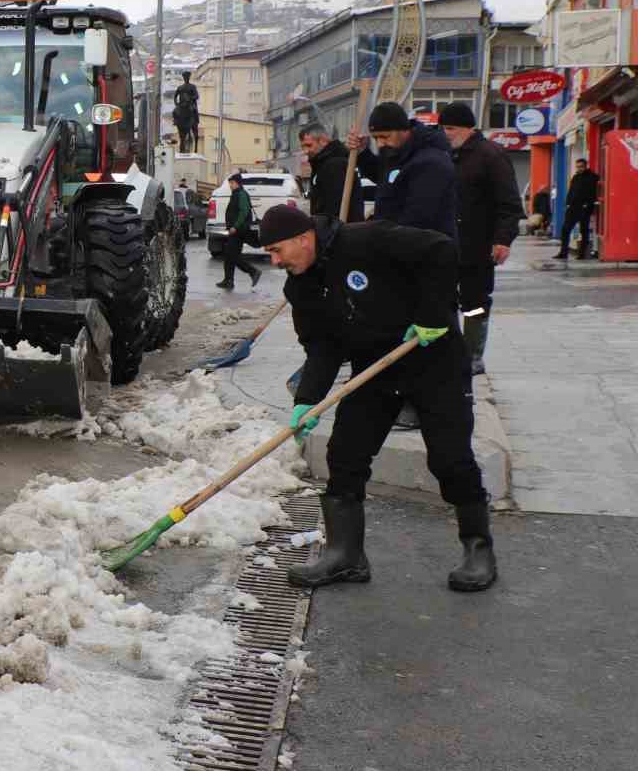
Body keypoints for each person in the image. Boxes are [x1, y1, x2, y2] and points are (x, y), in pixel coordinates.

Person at [258, 204, 496, 593]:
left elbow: (440, 250)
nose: (274, 260)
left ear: (304, 239)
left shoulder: (366, 240)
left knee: (450, 459)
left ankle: (478, 548)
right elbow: (322, 347)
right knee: (345, 454)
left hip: (433, 358)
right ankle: (345, 554)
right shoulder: (300, 285)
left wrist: (433, 315)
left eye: (277, 250)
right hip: (377, 367)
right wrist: (307, 401)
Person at [439, 102, 523, 374]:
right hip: (446, 244)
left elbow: (509, 203)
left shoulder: (491, 155)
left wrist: (503, 239)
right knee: (443, 299)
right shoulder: (445, 155)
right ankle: (449, 353)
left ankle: (473, 354)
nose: (446, 133)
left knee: (475, 303)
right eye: (443, 128)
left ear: (468, 127)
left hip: (478, 245)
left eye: (450, 128)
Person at [347, 102, 457, 239]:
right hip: (398, 245)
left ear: (404, 130)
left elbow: (418, 219)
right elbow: (385, 177)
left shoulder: (430, 161)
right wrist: (362, 151)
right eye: (375, 138)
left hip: (424, 250)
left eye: (385, 136)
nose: (380, 144)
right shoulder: (397, 153)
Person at [299, 122, 365, 221]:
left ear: (323, 141)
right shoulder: (321, 164)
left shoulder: (335, 165)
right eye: (303, 147)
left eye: (309, 145)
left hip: (339, 232)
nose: (305, 151)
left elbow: (334, 208)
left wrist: (326, 231)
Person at [217, 173, 262, 289]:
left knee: (232, 255)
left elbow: (244, 212)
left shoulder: (241, 194)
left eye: (231, 183)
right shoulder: (236, 194)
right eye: (229, 183)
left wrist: (235, 226)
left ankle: (253, 272)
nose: (230, 185)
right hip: (236, 230)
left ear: (237, 183)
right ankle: (228, 281)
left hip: (239, 230)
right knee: (229, 254)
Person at [555, 158, 600, 260]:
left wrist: (588, 204)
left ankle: (582, 254)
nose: (579, 169)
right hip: (573, 207)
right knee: (565, 229)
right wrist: (568, 204)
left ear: (585, 166)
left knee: (583, 231)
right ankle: (563, 252)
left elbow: (594, 193)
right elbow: (571, 191)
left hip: (585, 207)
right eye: (577, 167)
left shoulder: (593, 177)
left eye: (581, 167)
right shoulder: (575, 177)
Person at [172, 72, 200, 153]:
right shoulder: (180, 87)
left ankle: (195, 121)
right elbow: (175, 96)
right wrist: (176, 103)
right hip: (181, 104)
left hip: (190, 104)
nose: (186, 78)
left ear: (189, 78)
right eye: (185, 77)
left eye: (187, 77)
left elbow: (197, 96)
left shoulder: (192, 86)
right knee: (174, 111)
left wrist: (191, 98)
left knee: (193, 110)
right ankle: (176, 121)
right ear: (183, 78)